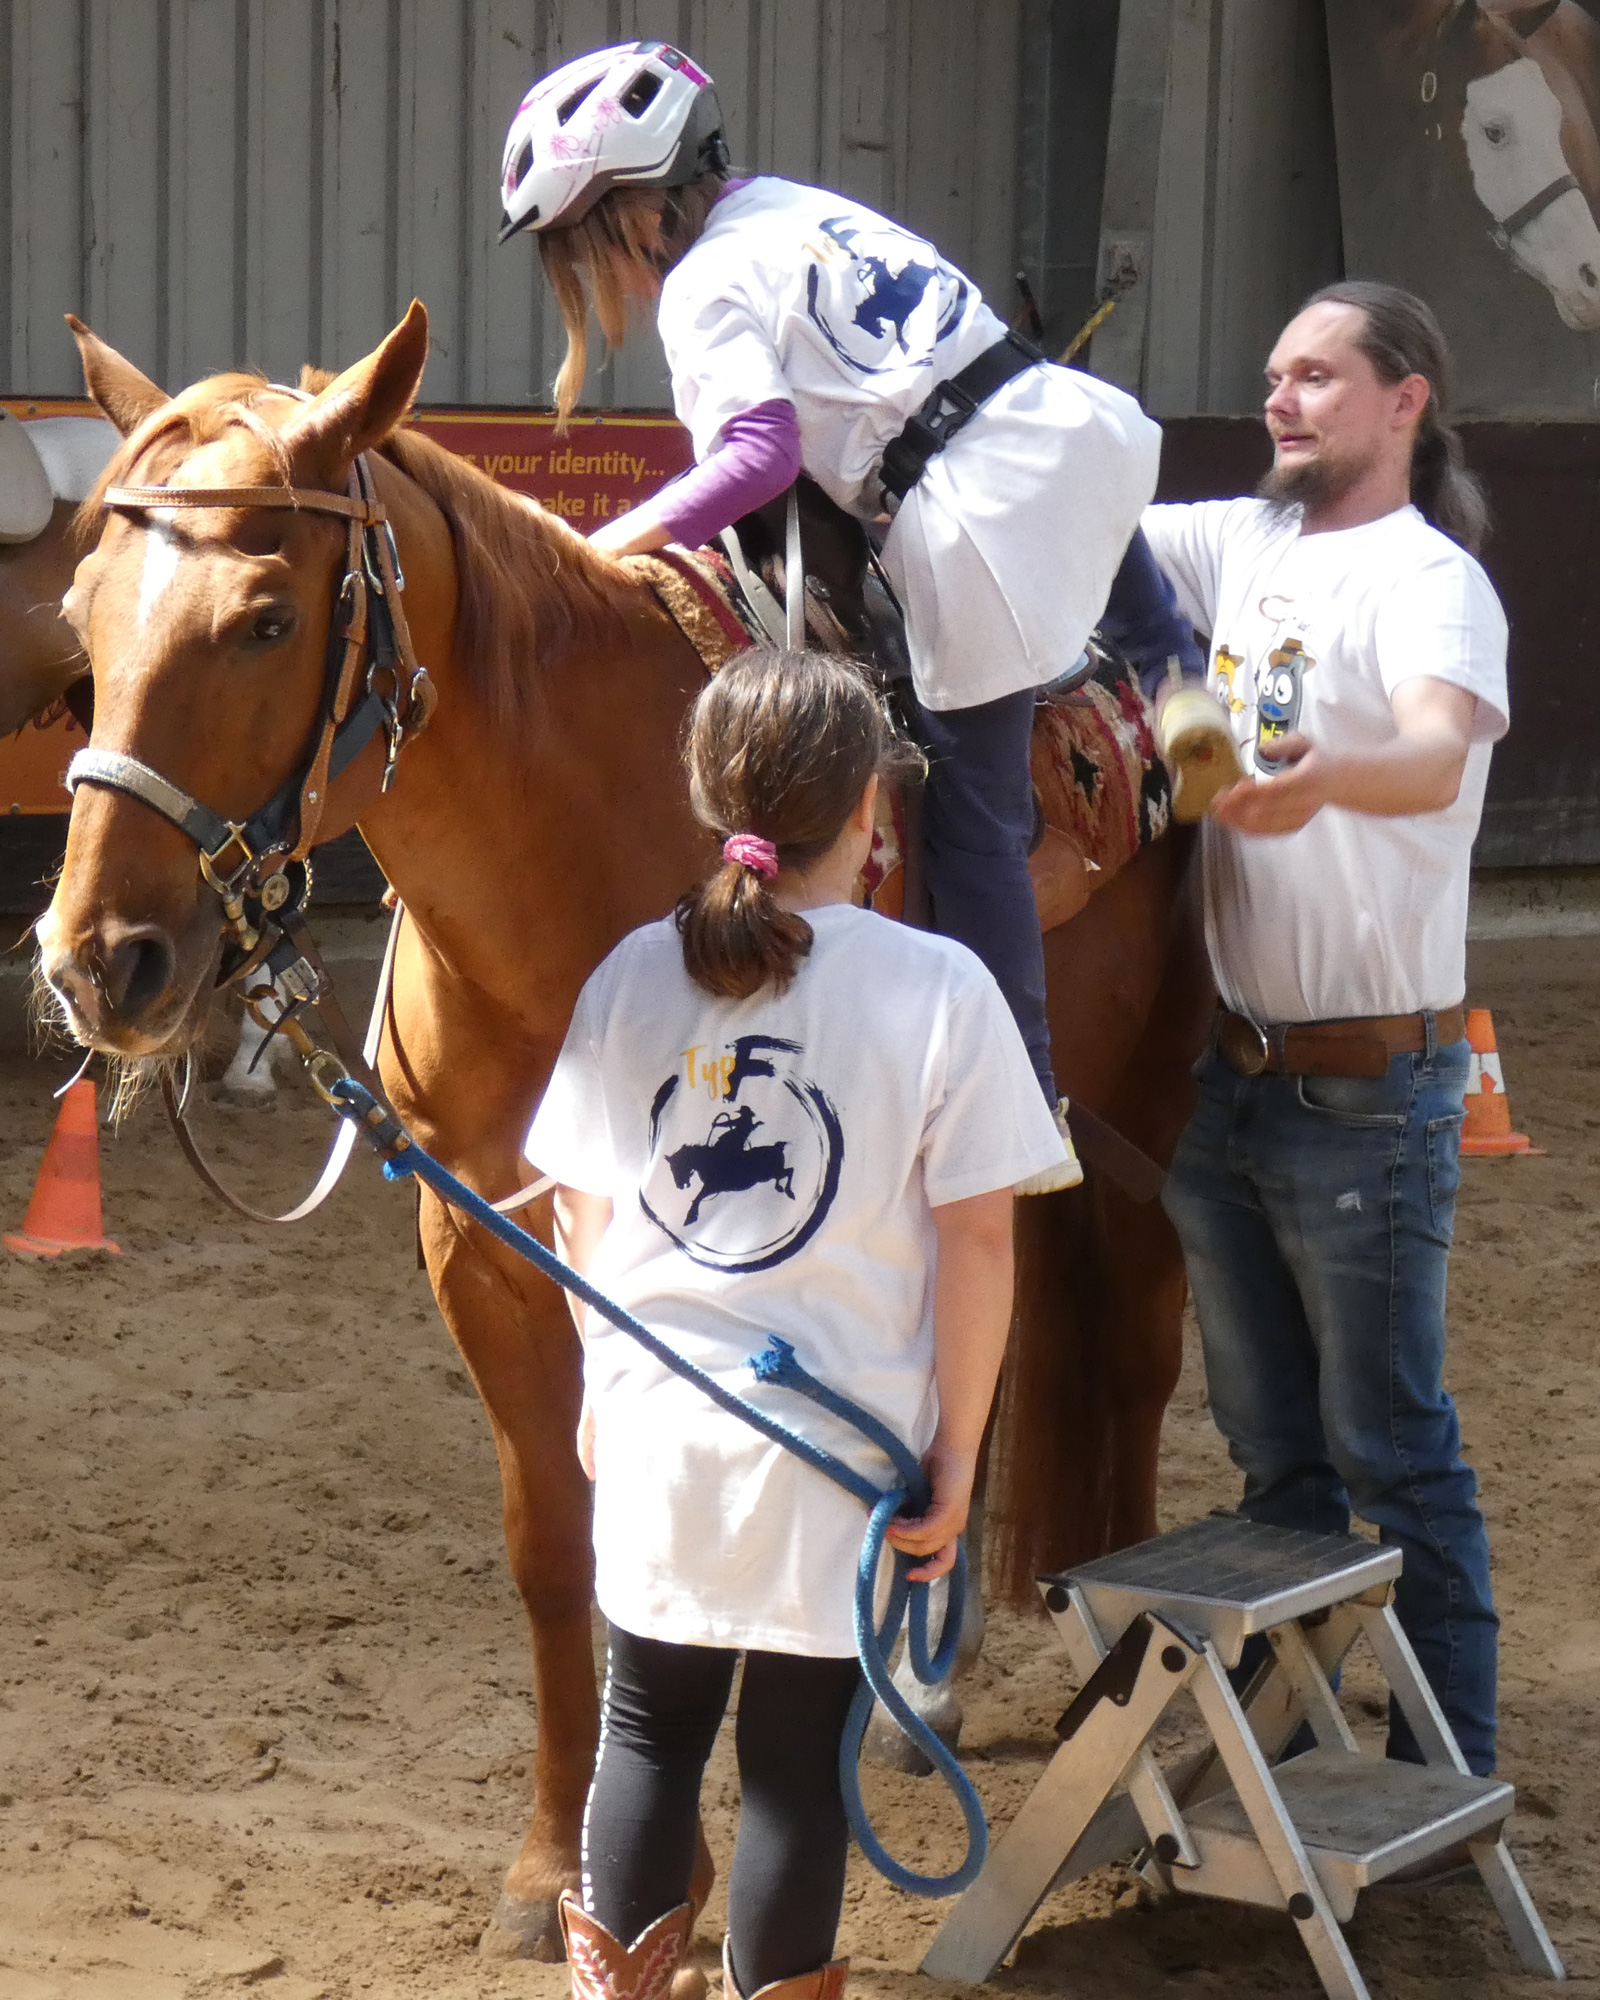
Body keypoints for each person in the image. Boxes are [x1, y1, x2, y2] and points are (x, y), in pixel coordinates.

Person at [498, 40, 1237, 1193]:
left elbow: (758, 453)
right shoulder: (800, 207)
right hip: (1063, 426)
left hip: (970, 512)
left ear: (635, 222)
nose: (617, 287)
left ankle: (1020, 1098)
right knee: (1118, 583)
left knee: (976, 822)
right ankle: (1191, 708)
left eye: (587, 253)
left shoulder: (699, 284)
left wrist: (610, 542)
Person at [522, 648, 1066, 2000]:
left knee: (644, 1734)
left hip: (661, 1433)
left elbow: (577, 1214)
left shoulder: (633, 976)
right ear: (873, 812)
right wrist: (958, 1454)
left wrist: (602, 1386)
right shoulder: (940, 988)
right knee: (795, 1774)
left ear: (716, 802)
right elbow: (981, 1237)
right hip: (839, 1450)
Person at [1143, 281, 1507, 1782]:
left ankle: (1444, 1777)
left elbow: (1429, 755)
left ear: (1404, 398)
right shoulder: (1242, 542)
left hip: (1372, 1091)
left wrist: (1324, 772)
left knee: (1394, 1452)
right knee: (1271, 1453)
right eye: (1274, 376)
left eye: (1316, 378)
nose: (1280, 399)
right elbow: (1078, 516)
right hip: (1226, 1089)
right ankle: (1284, 1754)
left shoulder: (1432, 582)